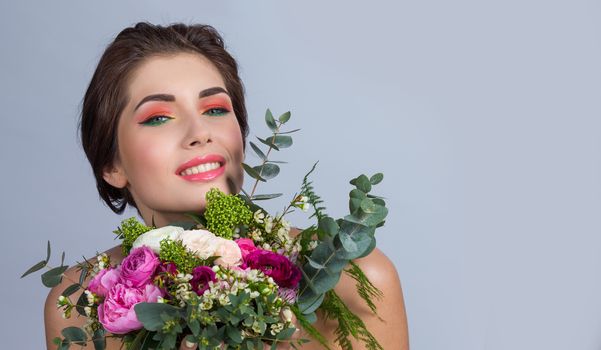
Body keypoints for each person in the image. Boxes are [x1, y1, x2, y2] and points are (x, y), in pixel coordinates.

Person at [44, 22, 409, 349]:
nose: (200, 133)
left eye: (215, 110)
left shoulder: (353, 280)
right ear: (112, 164)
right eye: (158, 118)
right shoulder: (79, 302)